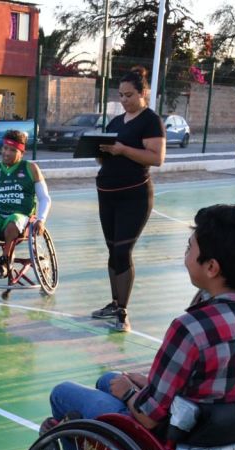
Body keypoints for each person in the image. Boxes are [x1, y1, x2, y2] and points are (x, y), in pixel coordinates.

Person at [47, 204, 235, 450]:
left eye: (189, 248)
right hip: (230, 443)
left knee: (64, 395)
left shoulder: (192, 327)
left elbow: (146, 418)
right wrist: (146, 384)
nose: (185, 256)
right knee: (108, 379)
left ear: (211, 267)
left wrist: (127, 394)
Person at [92, 66, 166, 333]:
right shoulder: (115, 122)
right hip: (107, 194)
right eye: (121, 95)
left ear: (143, 92)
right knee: (113, 251)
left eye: (129, 95)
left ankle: (123, 311)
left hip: (134, 196)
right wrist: (100, 151)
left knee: (123, 251)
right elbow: (108, 154)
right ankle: (114, 303)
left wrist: (123, 149)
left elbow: (156, 158)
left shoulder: (150, 121)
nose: (124, 100)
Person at [0, 130, 51, 278]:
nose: (7, 153)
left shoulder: (31, 169)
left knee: (14, 220)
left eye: (12, 150)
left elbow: (44, 198)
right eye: (5, 148)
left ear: (21, 153)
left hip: (21, 218)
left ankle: (5, 260)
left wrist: (41, 219)